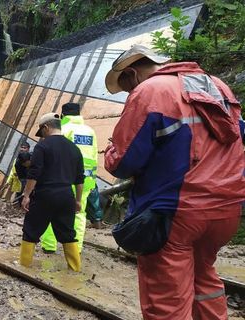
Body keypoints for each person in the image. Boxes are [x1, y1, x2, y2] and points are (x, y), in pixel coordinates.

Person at [104, 44, 245, 319]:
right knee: (205, 280)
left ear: (132, 74)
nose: (129, 94)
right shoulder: (216, 85)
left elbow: (124, 162)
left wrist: (110, 152)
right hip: (226, 209)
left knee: (167, 298)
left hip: (176, 212)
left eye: (126, 88)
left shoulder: (150, 91)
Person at [19, 113, 84, 272]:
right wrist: (77, 200)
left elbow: (34, 173)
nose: (42, 137)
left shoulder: (43, 146)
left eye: (42, 132)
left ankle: (23, 268)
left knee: (30, 231)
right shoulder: (74, 148)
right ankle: (75, 270)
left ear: (46, 127)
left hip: (45, 195)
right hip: (66, 196)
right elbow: (80, 178)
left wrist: (26, 195)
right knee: (68, 234)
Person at [41, 102, 98, 253]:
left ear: (63, 116)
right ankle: (76, 248)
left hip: (63, 179)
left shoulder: (63, 129)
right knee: (79, 214)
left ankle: (49, 246)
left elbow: (55, 154)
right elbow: (94, 157)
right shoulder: (90, 131)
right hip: (86, 180)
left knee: (52, 211)